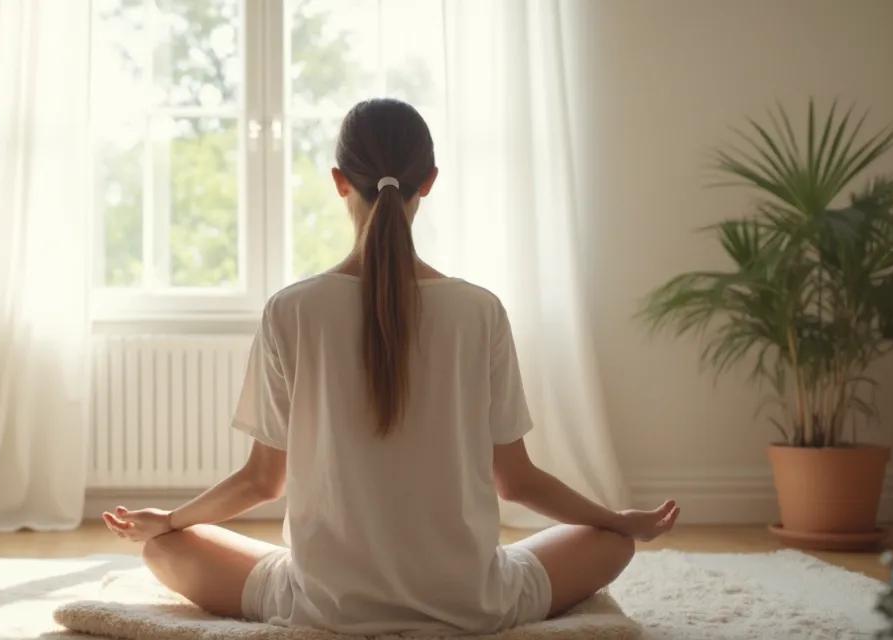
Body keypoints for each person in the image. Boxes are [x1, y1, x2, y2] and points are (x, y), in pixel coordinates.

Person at [101, 97, 679, 635]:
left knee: (164, 548)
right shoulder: (480, 310)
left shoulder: (291, 309)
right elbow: (516, 480)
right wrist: (618, 519)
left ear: (338, 183)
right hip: (472, 602)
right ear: (428, 182)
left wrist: (173, 519)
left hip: (325, 605)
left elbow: (262, 481)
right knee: (612, 543)